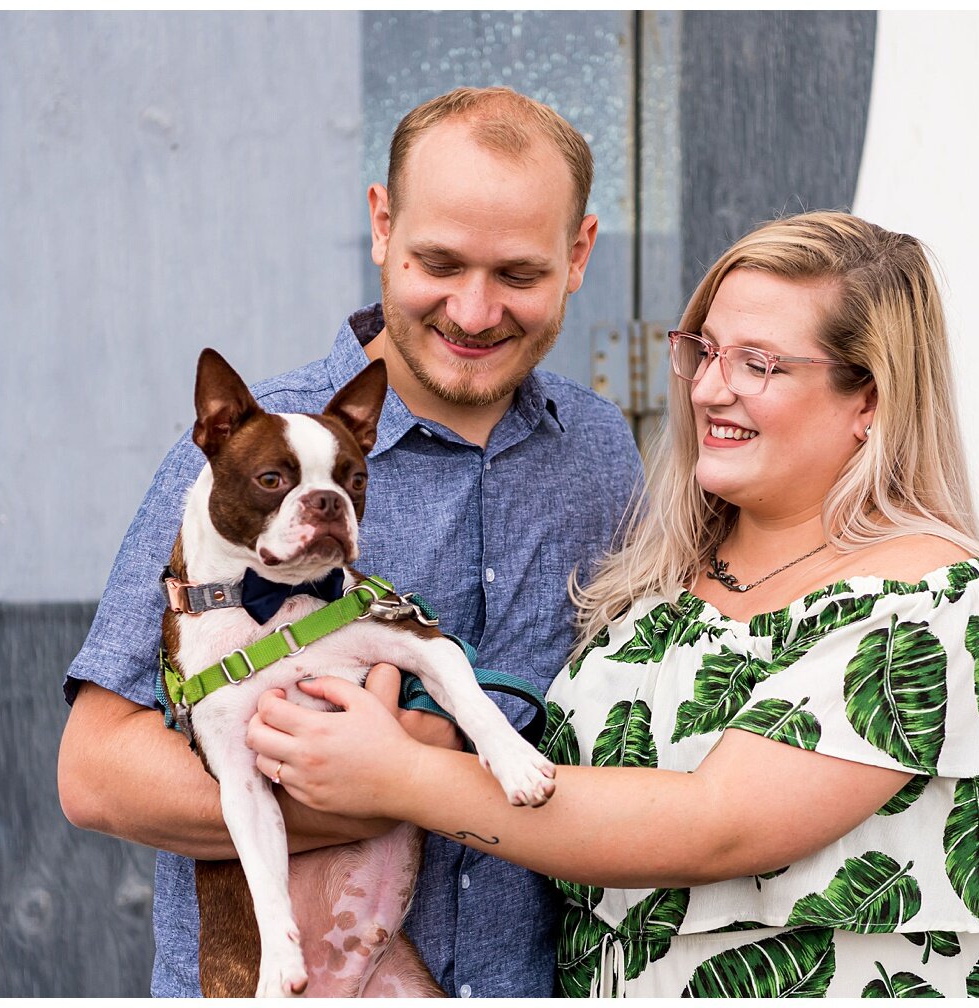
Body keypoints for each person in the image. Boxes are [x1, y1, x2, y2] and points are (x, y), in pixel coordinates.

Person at [247, 211, 979, 997]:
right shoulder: (655, 585)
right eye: (704, 352)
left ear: (870, 400)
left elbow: (717, 824)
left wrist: (399, 775)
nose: (709, 389)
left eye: (759, 365)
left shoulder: (931, 601)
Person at [57, 86, 643, 998]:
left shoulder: (599, 448)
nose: (476, 311)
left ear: (578, 254)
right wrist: (371, 780)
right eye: (438, 262)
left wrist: (418, 766)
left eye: (519, 275)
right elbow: (96, 775)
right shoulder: (245, 455)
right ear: (380, 224)